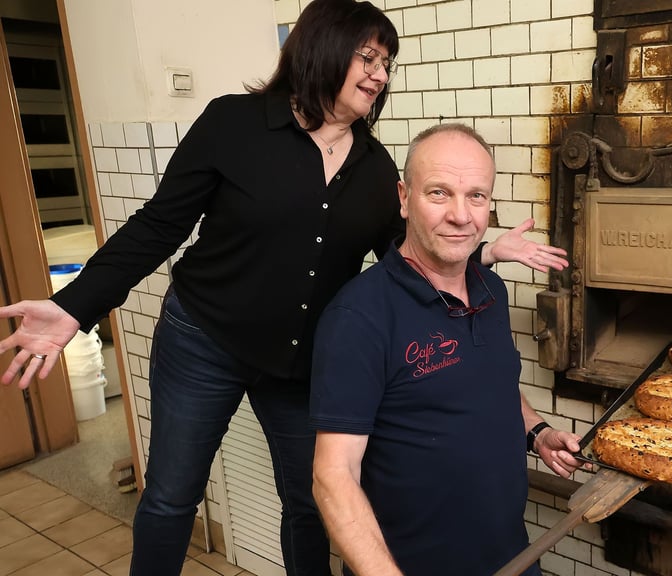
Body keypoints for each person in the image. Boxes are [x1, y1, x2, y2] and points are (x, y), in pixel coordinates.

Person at [0, 2, 567, 575]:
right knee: (172, 495)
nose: (380, 75)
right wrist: (74, 307)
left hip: (298, 361)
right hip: (204, 340)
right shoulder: (233, 123)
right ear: (322, 48)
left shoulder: (373, 166)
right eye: (368, 58)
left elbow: (406, 249)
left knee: (310, 501)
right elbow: (158, 226)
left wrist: (484, 250)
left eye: (386, 64)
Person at [309, 123, 586, 576]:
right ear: (404, 198)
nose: (461, 215)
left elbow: (491, 382)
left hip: (513, 557)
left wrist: (537, 433)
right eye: (439, 193)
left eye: (476, 196)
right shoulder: (359, 316)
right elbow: (332, 477)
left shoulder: (490, 288)